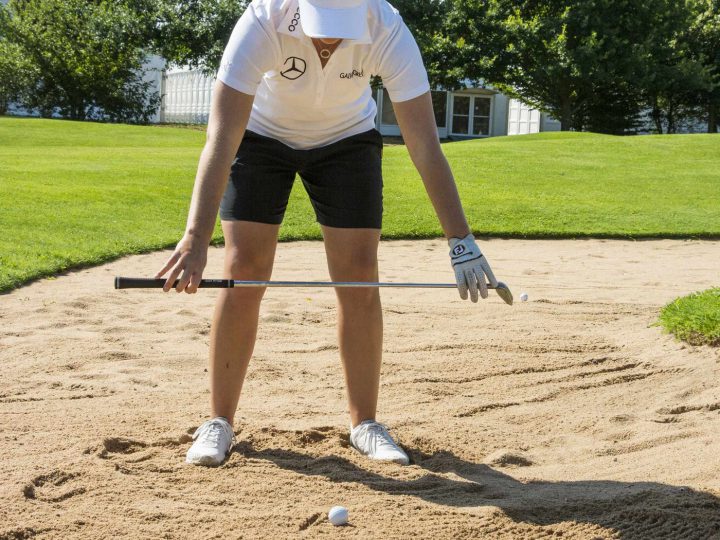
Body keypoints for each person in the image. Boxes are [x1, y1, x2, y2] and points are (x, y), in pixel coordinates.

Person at [155, 0, 499, 467]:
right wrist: (195, 239)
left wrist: (461, 240)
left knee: (358, 274)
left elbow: (424, 144)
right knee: (244, 269)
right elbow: (222, 136)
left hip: (347, 139)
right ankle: (219, 421)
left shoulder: (386, 27)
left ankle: (366, 424)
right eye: (320, 29)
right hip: (261, 138)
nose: (326, 41)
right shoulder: (264, 20)